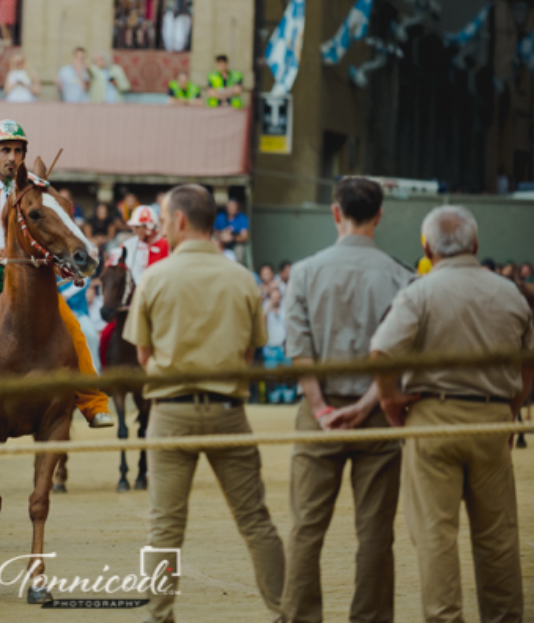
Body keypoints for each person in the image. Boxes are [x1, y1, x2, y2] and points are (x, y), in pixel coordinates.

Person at [122, 184, 284, 623]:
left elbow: (142, 356)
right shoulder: (242, 278)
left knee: (164, 527)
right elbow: (251, 354)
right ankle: (288, 612)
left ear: (177, 221)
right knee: (255, 520)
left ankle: (160, 616)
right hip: (228, 412)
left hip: (170, 411)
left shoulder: (155, 277)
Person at [370, 205, 533, 622]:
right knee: (498, 540)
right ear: (475, 244)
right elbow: (528, 361)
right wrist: (511, 409)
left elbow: (381, 350)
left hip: (433, 417)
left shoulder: (420, 291)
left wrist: (390, 401)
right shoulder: (509, 293)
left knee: (435, 537)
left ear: (425, 246)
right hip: (492, 419)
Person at [280, 177, 415, 621]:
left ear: (336, 213)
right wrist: (367, 404)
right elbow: (400, 356)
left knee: (305, 529)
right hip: (379, 413)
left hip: (319, 413)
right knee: (376, 534)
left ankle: (300, 616)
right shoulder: (401, 276)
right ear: (379, 216)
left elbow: (299, 348)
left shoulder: (304, 271)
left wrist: (320, 407)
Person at [0, 119, 113, 437]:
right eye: (5, 150)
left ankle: (93, 404)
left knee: (75, 329)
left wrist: (65, 265)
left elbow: (46, 237)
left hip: (29, 282)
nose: (11, 157)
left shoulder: (34, 191)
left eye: (17, 151)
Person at [120, 205, 170, 285]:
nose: (135, 231)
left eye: (137, 227)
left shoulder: (166, 245)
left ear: (149, 227)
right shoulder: (128, 246)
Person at [214, 197, 249, 263]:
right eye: (230, 206)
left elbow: (245, 237)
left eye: (234, 206)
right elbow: (214, 233)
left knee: (240, 250)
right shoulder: (220, 217)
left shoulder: (242, 218)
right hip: (221, 241)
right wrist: (222, 235)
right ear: (226, 207)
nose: (232, 208)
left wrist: (232, 238)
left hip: (235, 243)